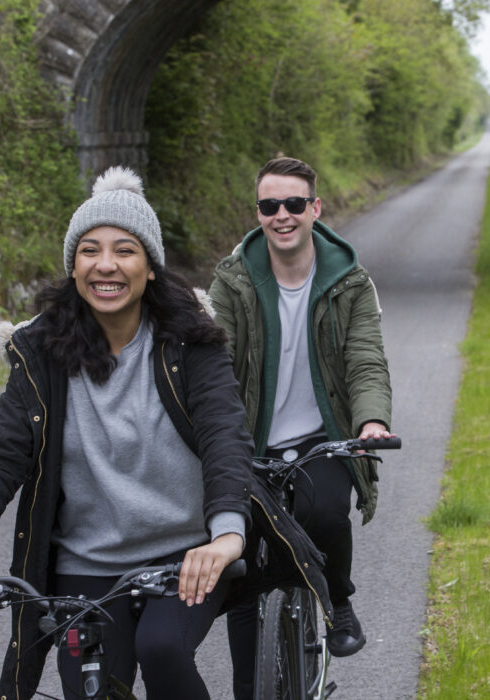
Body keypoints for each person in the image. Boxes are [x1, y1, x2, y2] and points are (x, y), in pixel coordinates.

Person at [0, 166, 255, 700]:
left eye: (125, 250)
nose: (106, 265)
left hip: (186, 555)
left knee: (164, 648)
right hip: (86, 565)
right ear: (73, 267)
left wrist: (226, 535)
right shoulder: (40, 354)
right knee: (90, 688)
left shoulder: (191, 345)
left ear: (150, 269)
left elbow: (224, 435)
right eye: (89, 251)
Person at [209, 156, 393, 698]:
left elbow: (365, 360)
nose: (282, 215)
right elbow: (215, 359)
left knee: (325, 512)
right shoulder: (234, 280)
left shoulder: (350, 283)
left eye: (294, 204)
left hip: (322, 437)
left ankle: (336, 600)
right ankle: (254, 686)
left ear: (315, 208)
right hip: (249, 441)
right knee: (242, 563)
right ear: (259, 212)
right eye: (270, 206)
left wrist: (372, 420)